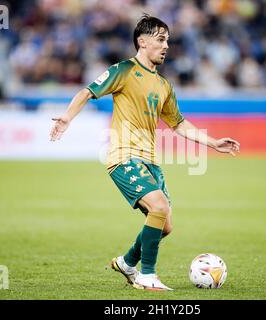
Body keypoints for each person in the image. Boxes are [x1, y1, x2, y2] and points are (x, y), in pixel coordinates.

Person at [49, 14, 240, 291]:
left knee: (165, 226)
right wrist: (67, 117)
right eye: (161, 40)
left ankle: (127, 263)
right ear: (142, 41)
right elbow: (88, 92)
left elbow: (179, 124)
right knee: (159, 207)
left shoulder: (164, 86)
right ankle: (147, 275)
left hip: (150, 161)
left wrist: (213, 143)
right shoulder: (124, 70)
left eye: (168, 41)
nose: (166, 46)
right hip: (124, 156)